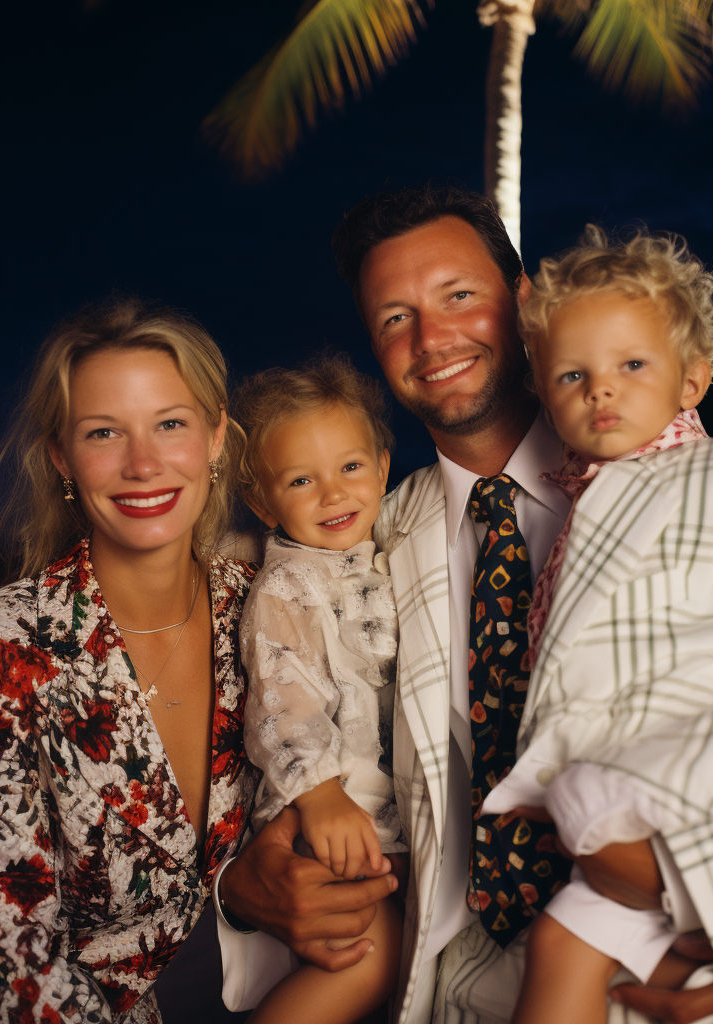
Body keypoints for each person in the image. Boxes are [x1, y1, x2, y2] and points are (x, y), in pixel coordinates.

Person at [214, 185, 713, 1024]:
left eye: (459, 296)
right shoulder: (365, 532)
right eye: (394, 318)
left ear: (523, 302)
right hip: (461, 989)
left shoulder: (694, 474)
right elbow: (289, 718)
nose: (432, 337)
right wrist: (243, 887)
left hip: (693, 967)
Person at [474, 224, 713, 1024]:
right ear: (545, 395)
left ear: (692, 379)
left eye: (632, 365)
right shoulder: (569, 510)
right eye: (573, 374)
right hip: (603, 817)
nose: (601, 391)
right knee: (559, 958)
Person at [0, 299, 257, 1023]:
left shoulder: (260, 614)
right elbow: (10, 968)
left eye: (170, 423)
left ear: (216, 434)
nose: (142, 463)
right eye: (105, 432)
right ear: (63, 455)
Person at [232, 357, 405, 1023]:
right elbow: (285, 700)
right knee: (370, 957)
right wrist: (321, 794)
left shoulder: (378, 556)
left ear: (383, 468)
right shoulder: (289, 585)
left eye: (350, 468)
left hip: (378, 818)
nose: (333, 494)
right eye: (301, 479)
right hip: (324, 812)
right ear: (262, 501)